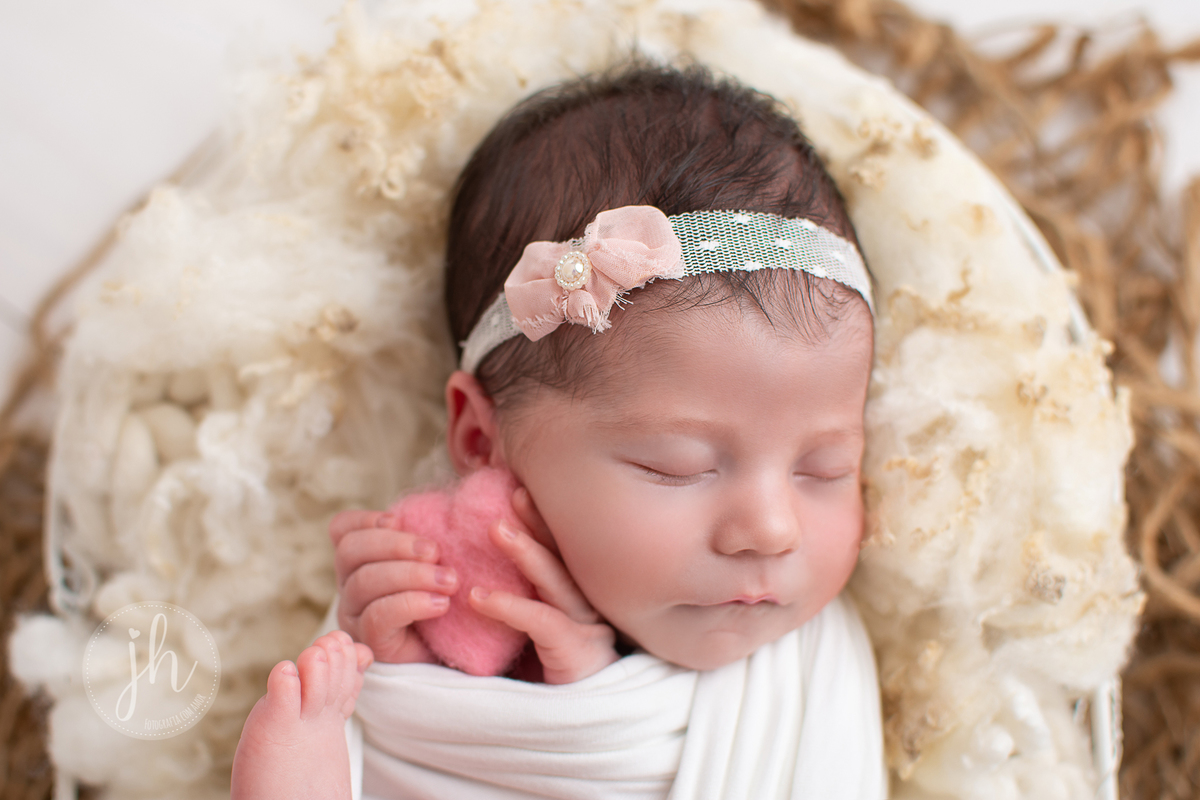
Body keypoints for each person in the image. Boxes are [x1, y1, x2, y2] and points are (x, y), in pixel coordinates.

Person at [231, 63, 886, 799]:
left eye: (826, 468)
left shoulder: (807, 677)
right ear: (480, 439)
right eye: (676, 466)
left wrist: (591, 696)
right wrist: (404, 673)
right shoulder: (417, 596)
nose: (770, 530)